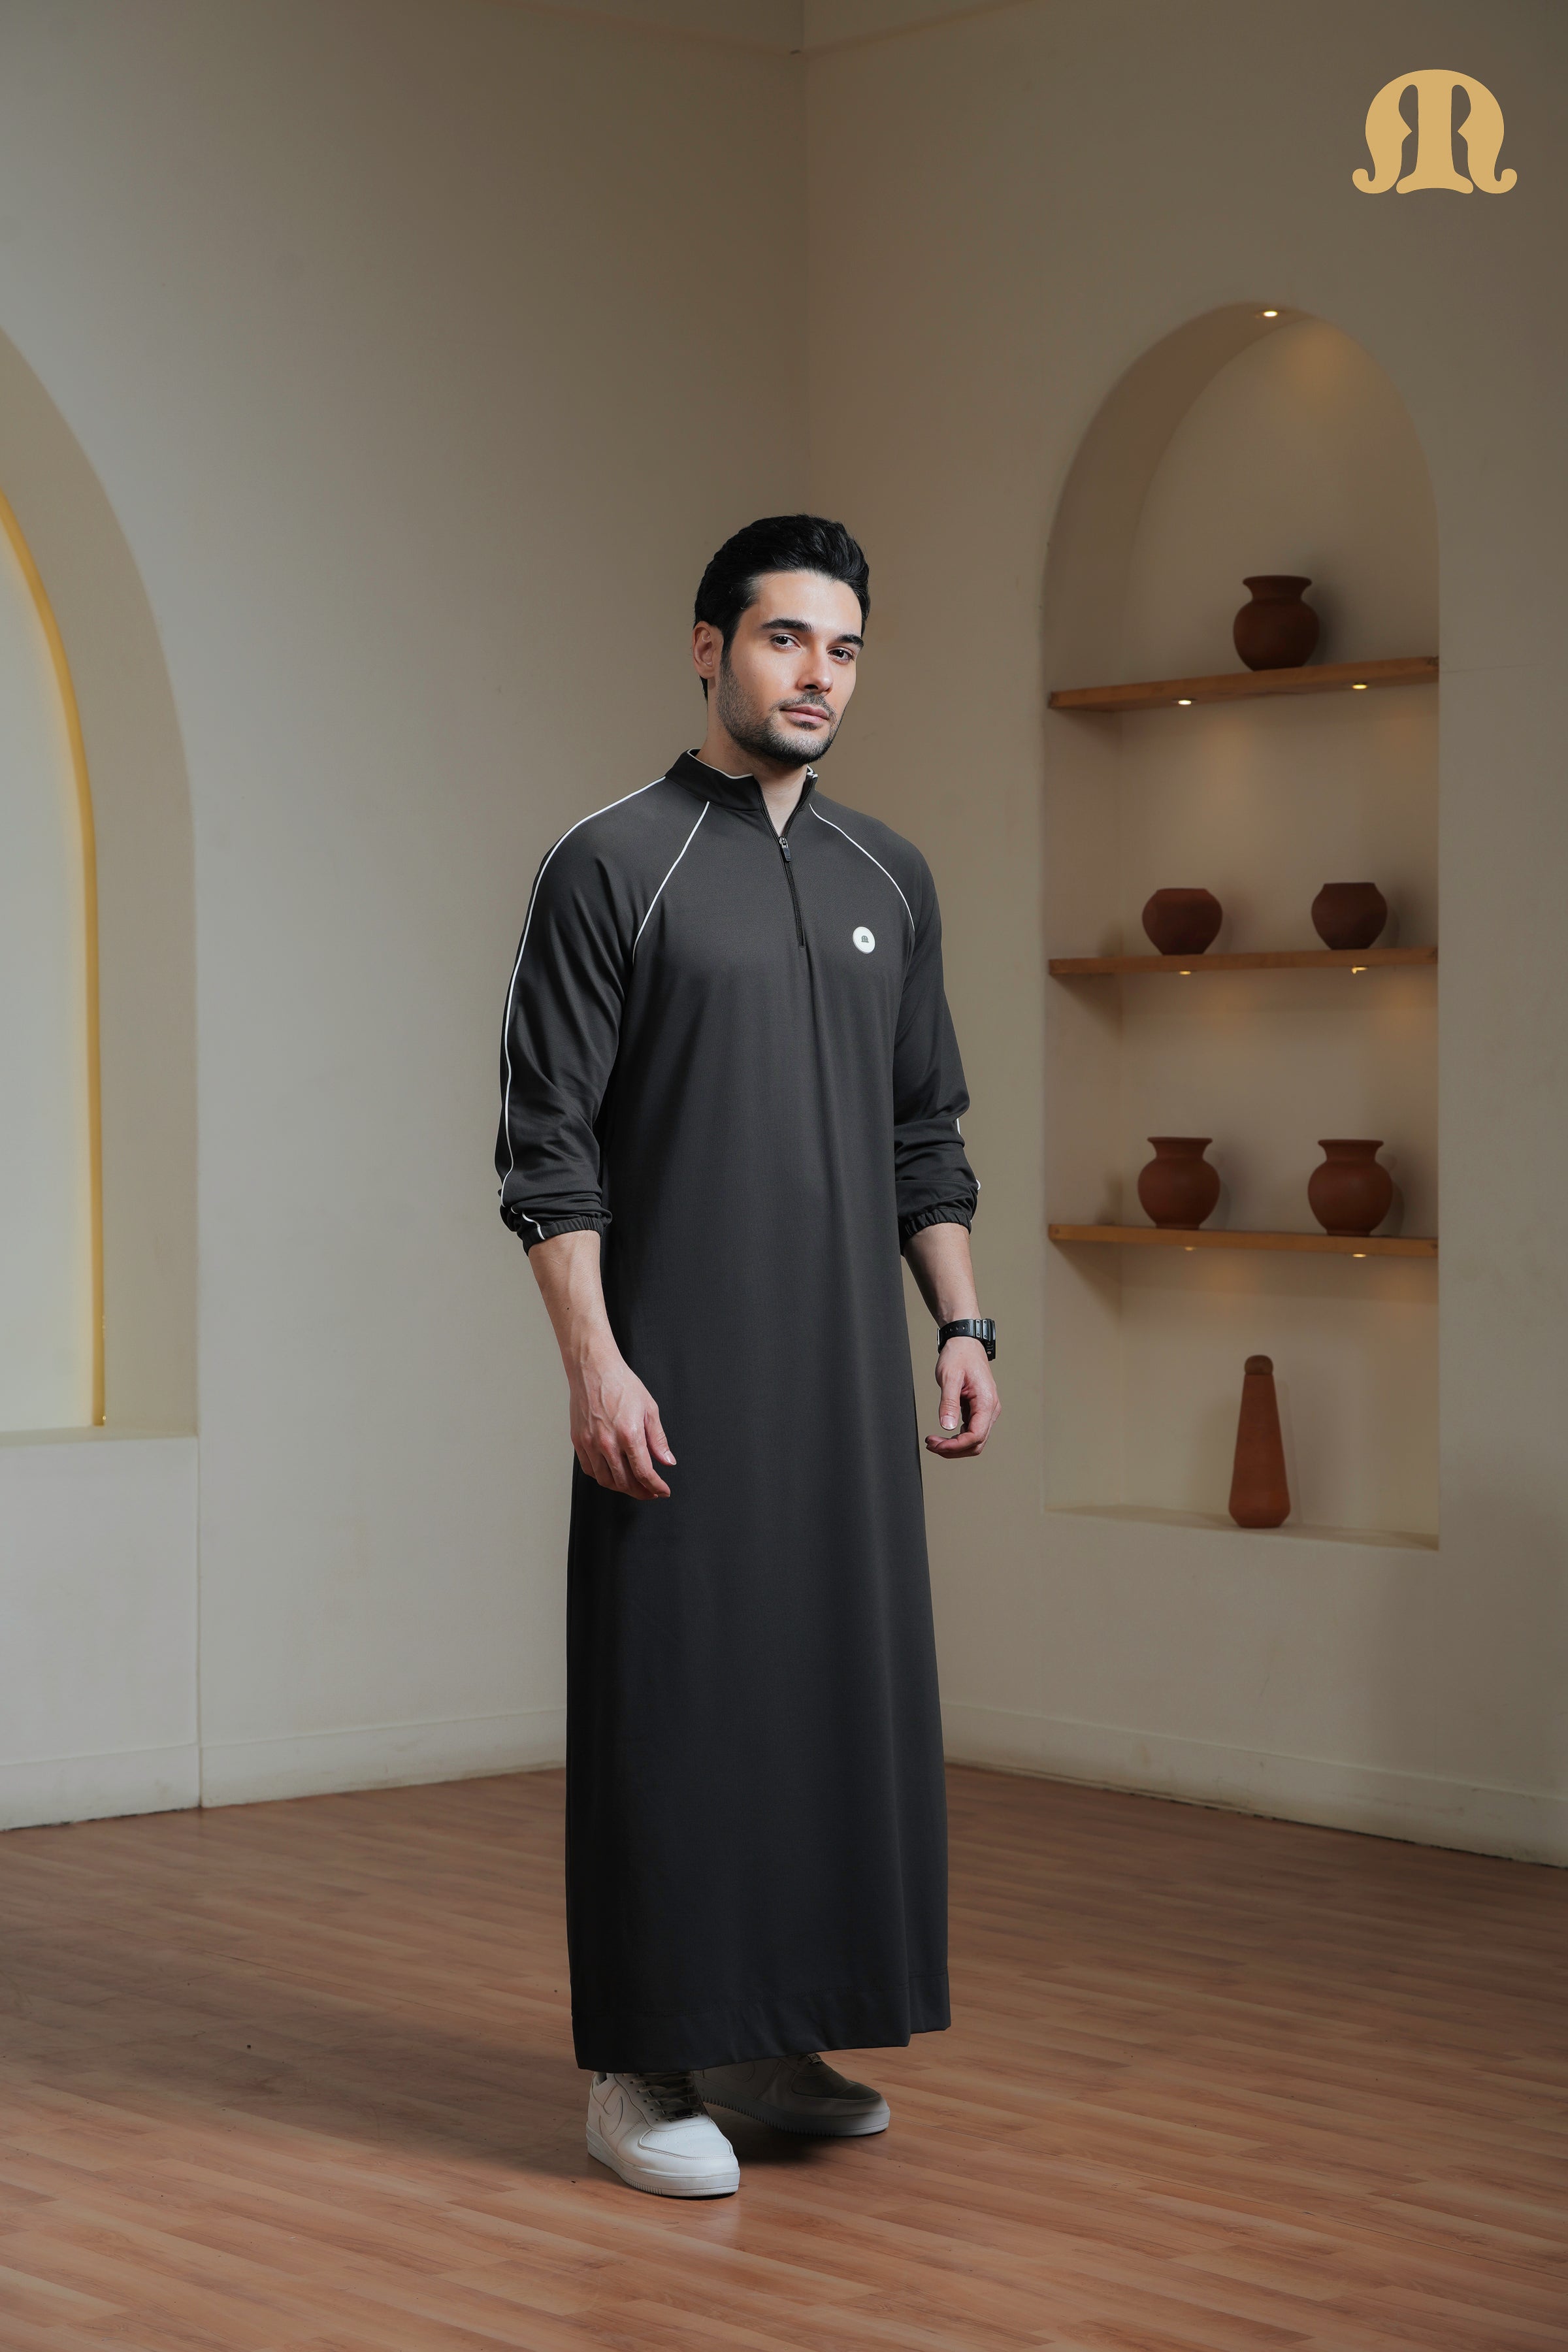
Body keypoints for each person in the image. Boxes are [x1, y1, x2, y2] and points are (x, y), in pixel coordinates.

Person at [496, 514, 1000, 2198]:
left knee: (824, 1704)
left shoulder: (888, 878)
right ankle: (641, 2068)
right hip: (678, 1376)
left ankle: (779, 2034)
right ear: (710, 648)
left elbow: (927, 1128)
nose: (818, 676)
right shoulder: (610, 864)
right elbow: (545, 1147)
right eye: (787, 639)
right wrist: (595, 1363)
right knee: (677, 1710)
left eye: (844, 649)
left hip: (843, 1384)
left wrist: (962, 1322)